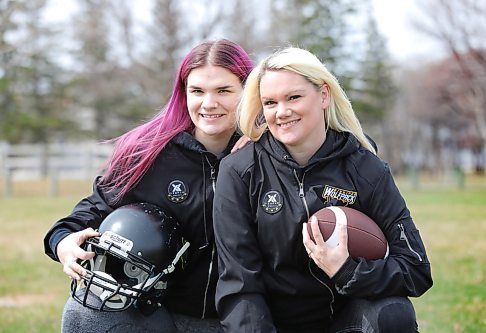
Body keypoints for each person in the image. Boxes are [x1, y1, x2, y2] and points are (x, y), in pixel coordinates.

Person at [213, 47, 433, 332]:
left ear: (324, 95)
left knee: (393, 314)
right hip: (274, 325)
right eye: (270, 103)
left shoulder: (366, 168)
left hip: (343, 321)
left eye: (294, 97)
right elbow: (239, 285)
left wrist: (347, 271)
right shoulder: (239, 171)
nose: (282, 112)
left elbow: (415, 269)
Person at [43, 39, 253, 332]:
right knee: (84, 313)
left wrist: (263, 142)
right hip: (159, 314)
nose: (209, 103)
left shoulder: (267, 156)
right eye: (197, 91)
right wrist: (62, 240)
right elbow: (92, 211)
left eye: (223, 91)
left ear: (248, 92)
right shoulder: (149, 152)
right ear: (183, 94)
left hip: (242, 318)